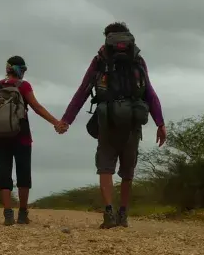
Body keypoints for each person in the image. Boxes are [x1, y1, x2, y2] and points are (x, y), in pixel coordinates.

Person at [56, 22, 166, 228]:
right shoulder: (138, 60)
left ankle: (109, 213)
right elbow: (149, 92)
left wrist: (66, 120)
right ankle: (123, 214)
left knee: (105, 167)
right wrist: (160, 122)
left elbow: (83, 91)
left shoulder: (100, 60)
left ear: (107, 37)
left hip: (107, 121)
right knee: (128, 171)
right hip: (133, 121)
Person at [0, 55, 64, 226]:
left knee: (3, 170)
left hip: (0, 135)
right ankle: (23, 214)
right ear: (22, 70)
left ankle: (8, 213)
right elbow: (36, 107)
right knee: (23, 171)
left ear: (7, 68)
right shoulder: (23, 86)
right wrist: (56, 122)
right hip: (22, 135)